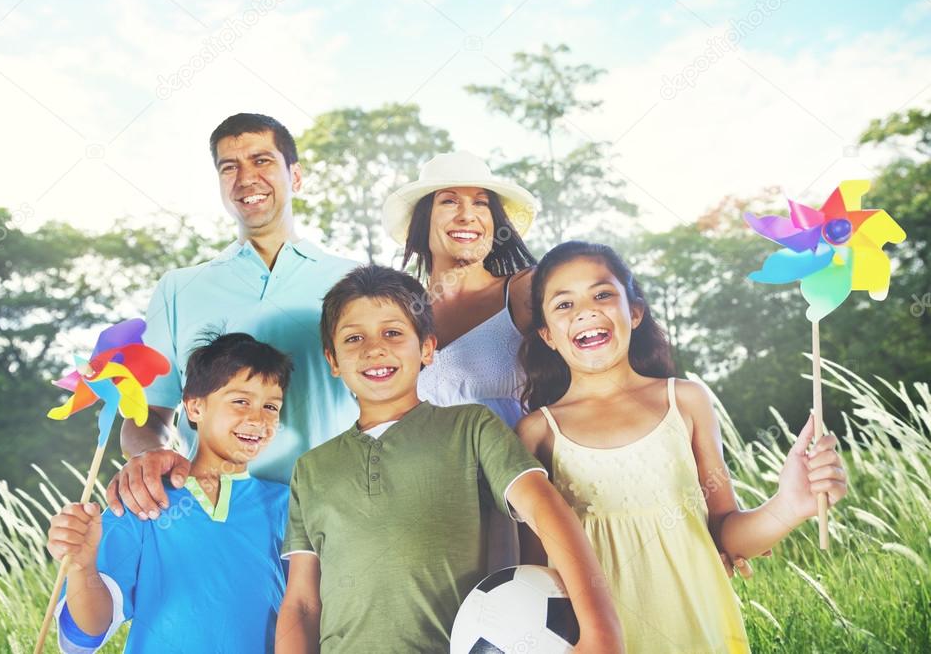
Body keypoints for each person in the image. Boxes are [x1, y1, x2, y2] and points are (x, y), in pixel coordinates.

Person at [516, 241, 849, 653]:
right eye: (564, 304)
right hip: (601, 641)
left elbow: (727, 535)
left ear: (634, 312)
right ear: (547, 334)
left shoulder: (686, 401)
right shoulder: (537, 432)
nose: (586, 311)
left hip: (697, 629)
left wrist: (790, 504)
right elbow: (534, 578)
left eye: (602, 294)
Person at [276, 265, 624, 653]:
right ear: (333, 360)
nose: (374, 348)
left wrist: (600, 629)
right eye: (354, 338)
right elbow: (303, 602)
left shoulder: (470, 428)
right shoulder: (310, 469)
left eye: (393, 332)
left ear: (427, 348)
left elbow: (547, 512)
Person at [105, 113, 358, 521]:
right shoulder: (178, 289)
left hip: (337, 516)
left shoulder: (353, 282)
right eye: (229, 167)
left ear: (295, 176)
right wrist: (150, 454)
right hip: (216, 518)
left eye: (262, 161)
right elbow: (147, 414)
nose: (245, 178)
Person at [46, 333, 293, 653]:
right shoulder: (141, 499)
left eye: (271, 406)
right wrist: (82, 566)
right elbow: (86, 634)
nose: (258, 418)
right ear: (194, 407)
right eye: (241, 401)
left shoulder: (289, 505)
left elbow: (307, 611)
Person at [383, 150, 538, 571]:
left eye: (481, 203)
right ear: (421, 225)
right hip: (430, 516)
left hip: (520, 514)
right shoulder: (397, 315)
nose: (468, 214)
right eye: (450, 201)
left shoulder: (524, 292)